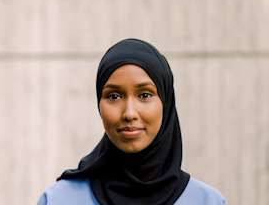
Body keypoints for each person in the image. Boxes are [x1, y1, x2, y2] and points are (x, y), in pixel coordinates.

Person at [37, 38, 226, 205]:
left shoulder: (208, 201)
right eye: (114, 96)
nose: (129, 113)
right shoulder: (59, 200)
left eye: (144, 95)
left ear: (166, 103)